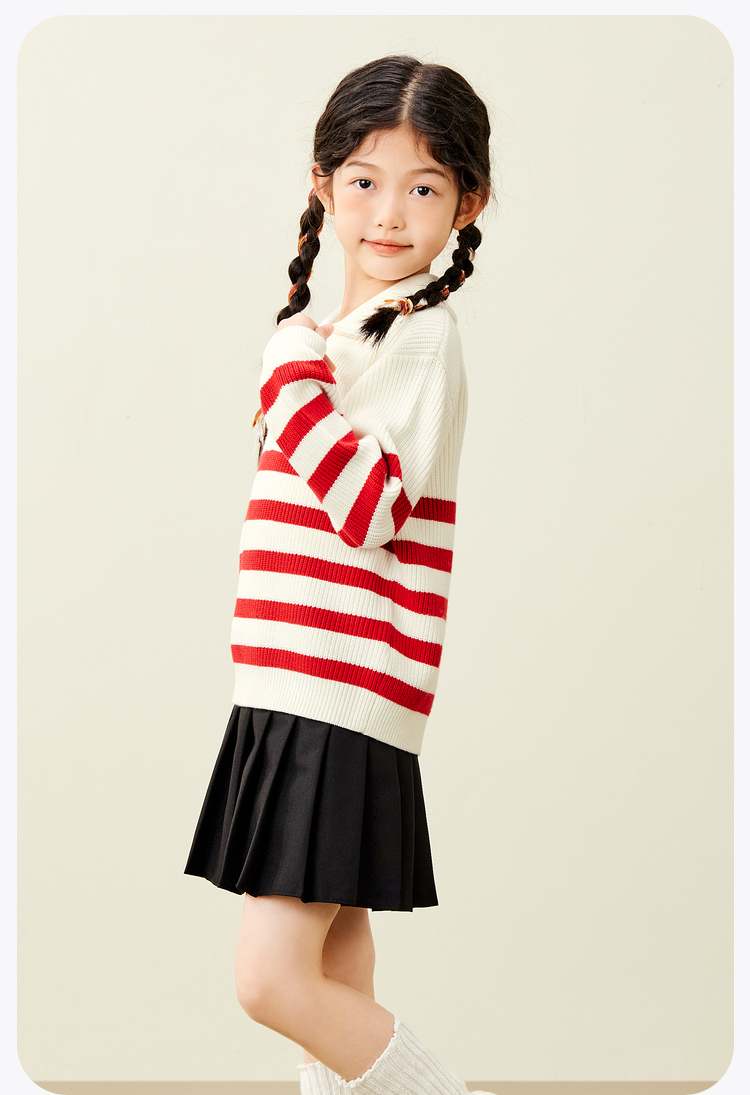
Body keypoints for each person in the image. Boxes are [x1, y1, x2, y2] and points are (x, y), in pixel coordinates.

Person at [184, 54, 495, 1094]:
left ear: (467, 203)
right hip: (299, 686)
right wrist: (303, 362)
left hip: (339, 691)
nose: (390, 213)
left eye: (425, 187)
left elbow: (368, 511)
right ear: (322, 185)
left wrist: (289, 373)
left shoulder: (417, 339)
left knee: (272, 981)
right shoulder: (341, 339)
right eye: (364, 180)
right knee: (332, 970)